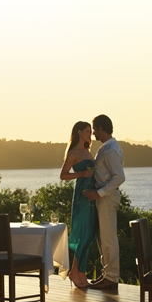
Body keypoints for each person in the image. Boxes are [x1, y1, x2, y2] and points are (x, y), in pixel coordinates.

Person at [83, 114, 125, 289]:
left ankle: (112, 277)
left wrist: (99, 193)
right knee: (103, 239)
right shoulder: (106, 148)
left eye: (95, 129)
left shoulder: (110, 150)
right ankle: (107, 274)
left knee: (108, 239)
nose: (93, 133)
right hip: (103, 198)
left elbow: (119, 177)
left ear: (102, 128)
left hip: (107, 198)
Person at [59, 120, 96, 289]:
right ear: (79, 132)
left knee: (89, 235)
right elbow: (63, 175)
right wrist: (81, 173)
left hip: (92, 196)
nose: (90, 133)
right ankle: (76, 273)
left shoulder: (88, 152)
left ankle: (78, 272)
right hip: (81, 197)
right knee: (82, 234)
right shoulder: (73, 152)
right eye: (88, 130)